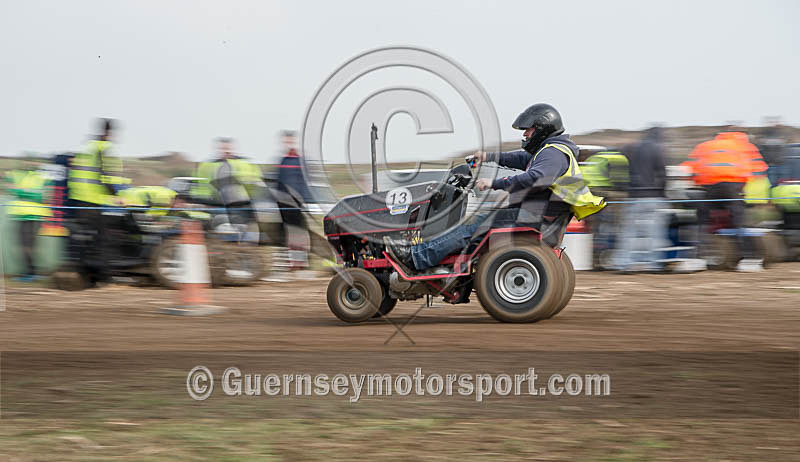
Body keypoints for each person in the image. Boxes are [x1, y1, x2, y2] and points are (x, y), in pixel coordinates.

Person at [386, 103, 606, 272]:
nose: (525, 134)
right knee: (480, 222)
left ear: (541, 128)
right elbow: (522, 159)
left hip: (537, 217)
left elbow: (536, 178)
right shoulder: (553, 150)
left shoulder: (552, 153)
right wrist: (488, 158)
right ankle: (448, 263)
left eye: (527, 130)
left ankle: (417, 257)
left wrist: (494, 183)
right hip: (543, 216)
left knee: (474, 225)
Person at [682, 129, 769, 272]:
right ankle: (748, 259)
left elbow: (689, 168)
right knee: (739, 221)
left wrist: (698, 182)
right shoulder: (744, 146)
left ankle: (697, 258)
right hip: (733, 186)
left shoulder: (705, 145)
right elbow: (759, 170)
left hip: (709, 187)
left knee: (703, 221)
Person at [66, 118, 128, 281]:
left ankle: (83, 273)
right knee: (103, 239)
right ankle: (103, 278)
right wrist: (117, 197)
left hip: (78, 199)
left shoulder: (87, 147)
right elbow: (105, 177)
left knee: (87, 238)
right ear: (109, 133)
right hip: (93, 199)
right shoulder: (104, 148)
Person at [612, 126, 669, 272]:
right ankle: (653, 263)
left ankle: (623, 263)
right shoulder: (658, 149)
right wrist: (663, 192)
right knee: (654, 232)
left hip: (634, 195)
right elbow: (662, 173)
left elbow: (619, 161)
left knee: (629, 232)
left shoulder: (632, 148)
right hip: (654, 197)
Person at [192, 137, 264, 236]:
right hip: (217, 204)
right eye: (222, 149)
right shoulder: (207, 166)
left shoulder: (246, 165)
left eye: (228, 148)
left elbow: (257, 183)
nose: (225, 151)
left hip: (241, 205)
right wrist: (201, 202)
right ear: (217, 150)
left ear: (233, 149)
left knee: (242, 230)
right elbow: (201, 187)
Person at [272, 130, 314, 278]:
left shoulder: (299, 160)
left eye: (290, 139)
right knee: (286, 234)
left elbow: (305, 182)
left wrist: (306, 201)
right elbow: (277, 182)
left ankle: (301, 263)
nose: (288, 142)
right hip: (283, 204)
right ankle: (290, 263)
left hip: (297, 203)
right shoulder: (282, 160)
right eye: (286, 140)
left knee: (300, 233)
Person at [4, 160, 52, 281]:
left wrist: (22, 192)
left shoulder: (42, 177)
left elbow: (41, 196)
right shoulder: (16, 175)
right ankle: (28, 272)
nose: (28, 164)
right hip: (20, 215)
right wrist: (28, 193)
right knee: (23, 246)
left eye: (32, 161)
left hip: (34, 216)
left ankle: (31, 272)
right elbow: (10, 189)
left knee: (29, 246)